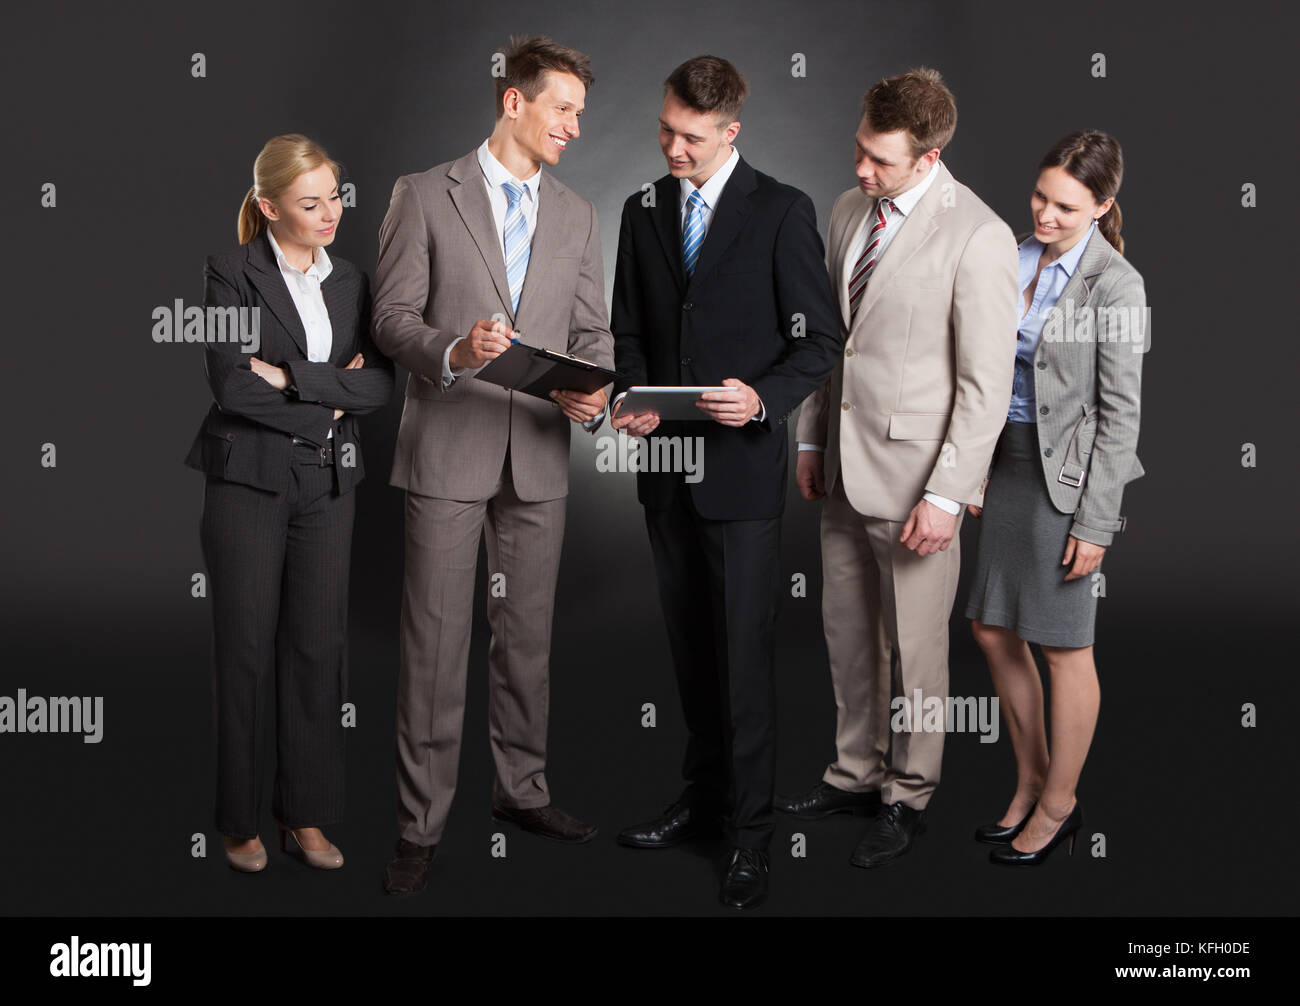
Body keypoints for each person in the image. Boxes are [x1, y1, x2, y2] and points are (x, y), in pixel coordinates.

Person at [372, 36, 614, 896]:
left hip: (540, 459)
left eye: (581, 115)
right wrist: (455, 351)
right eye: (563, 109)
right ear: (514, 102)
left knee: (528, 645)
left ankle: (522, 793)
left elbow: (592, 333)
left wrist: (591, 391)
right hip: (446, 450)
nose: (574, 128)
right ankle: (419, 825)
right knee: (434, 647)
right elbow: (391, 319)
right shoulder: (422, 193)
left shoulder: (581, 215)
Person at [611, 55, 842, 909]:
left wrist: (761, 400)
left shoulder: (782, 210)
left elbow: (818, 343)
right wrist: (629, 395)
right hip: (665, 472)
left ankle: (750, 837)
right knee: (690, 650)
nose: (673, 148)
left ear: (732, 132)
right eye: (665, 130)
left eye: (692, 138)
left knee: (743, 660)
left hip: (742, 474)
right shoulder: (643, 212)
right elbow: (626, 327)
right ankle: (703, 802)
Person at [779, 68, 1019, 868]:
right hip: (842, 472)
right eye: (859, 149)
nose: (859, 170)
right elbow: (825, 343)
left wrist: (949, 495)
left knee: (917, 650)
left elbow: (987, 386)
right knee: (848, 636)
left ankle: (909, 793)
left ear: (929, 156)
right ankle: (854, 772)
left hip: (921, 486)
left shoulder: (978, 235)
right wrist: (810, 440)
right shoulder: (850, 210)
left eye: (879, 160)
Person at [186, 133, 394, 872]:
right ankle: (238, 819)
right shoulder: (229, 270)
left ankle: (305, 815)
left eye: (335, 195)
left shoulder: (354, 281)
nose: (331, 211)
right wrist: (328, 397)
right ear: (269, 207)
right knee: (243, 653)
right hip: (247, 481)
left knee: (315, 652)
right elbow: (231, 385)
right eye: (310, 202)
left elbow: (379, 385)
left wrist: (294, 380)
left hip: (329, 485)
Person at [966, 130, 1146, 866]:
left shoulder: (1116, 285)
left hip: (1061, 481)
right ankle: (1029, 778)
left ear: (1103, 208)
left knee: (1065, 646)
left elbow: (1119, 412)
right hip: (1003, 463)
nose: (1044, 215)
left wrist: (1096, 520)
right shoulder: (1013, 252)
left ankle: (1061, 803)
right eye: (1040, 196)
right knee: (992, 629)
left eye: (1066, 207)